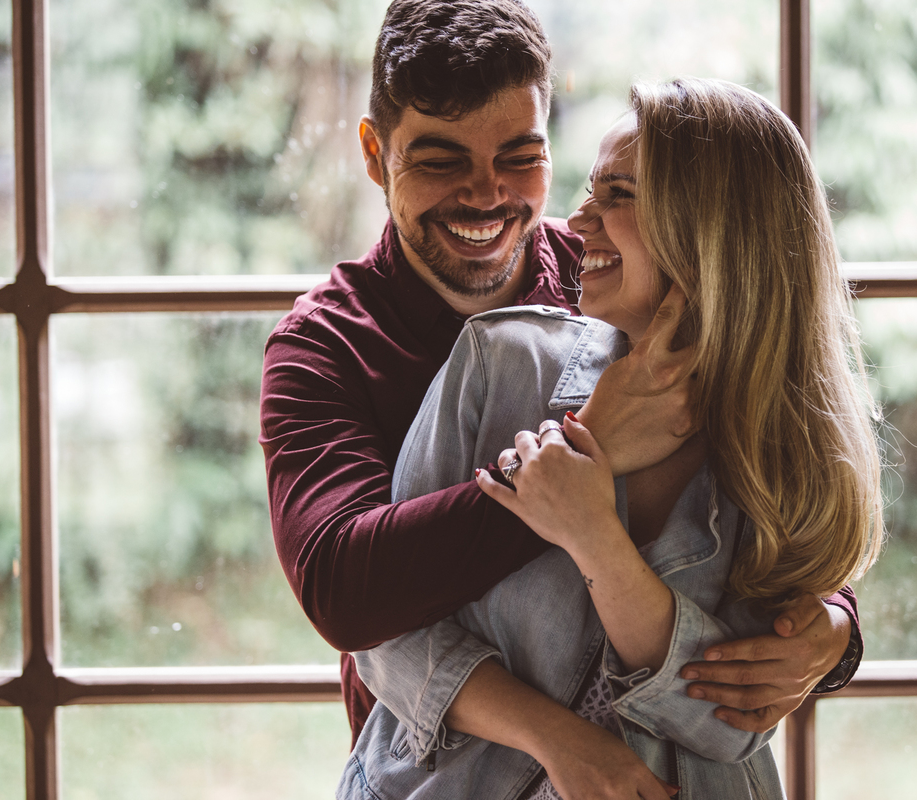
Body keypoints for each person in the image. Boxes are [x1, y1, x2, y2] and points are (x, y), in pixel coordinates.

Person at [259, 0, 862, 754]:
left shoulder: (623, 277)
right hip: (447, 770)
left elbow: (756, 458)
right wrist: (583, 455)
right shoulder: (324, 346)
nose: (485, 195)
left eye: (519, 155)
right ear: (375, 154)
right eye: (442, 160)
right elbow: (345, 591)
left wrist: (830, 625)